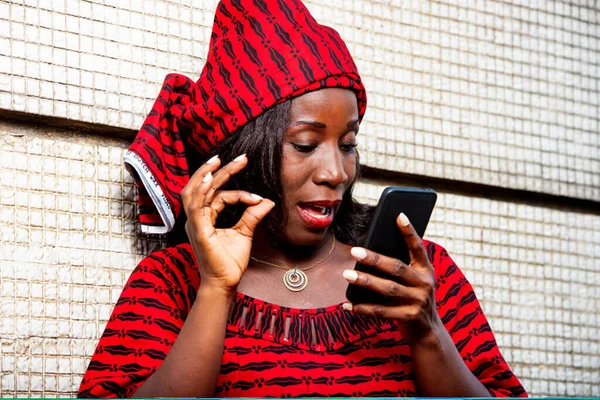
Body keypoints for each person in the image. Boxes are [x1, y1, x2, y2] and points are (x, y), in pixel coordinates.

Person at [78, 0, 526, 397]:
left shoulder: (415, 274)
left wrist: (428, 332)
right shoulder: (172, 281)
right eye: (306, 145)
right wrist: (215, 290)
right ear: (241, 154)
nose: (336, 172)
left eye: (348, 144)